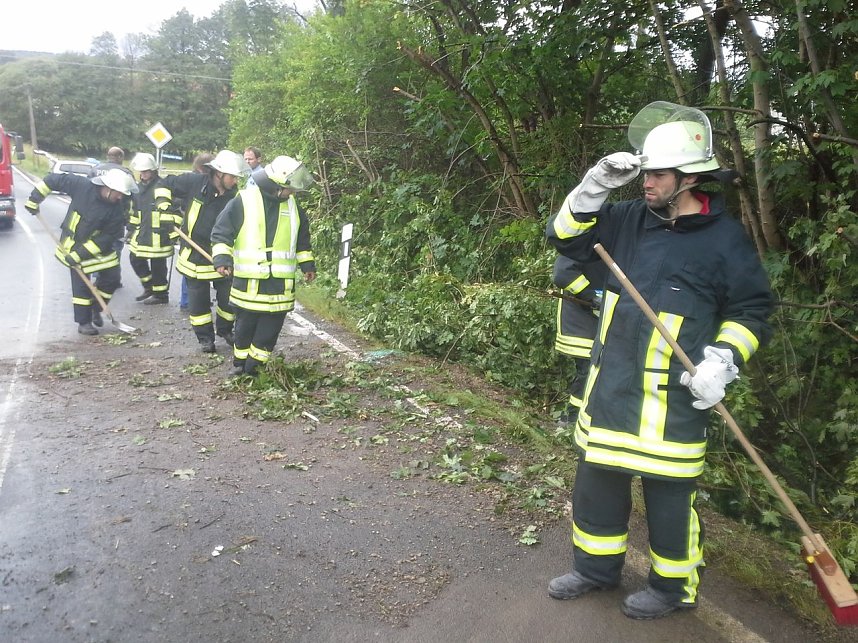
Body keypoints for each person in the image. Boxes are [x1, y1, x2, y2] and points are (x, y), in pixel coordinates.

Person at [544, 102, 773, 619]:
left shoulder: (725, 240)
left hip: (674, 398)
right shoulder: (625, 220)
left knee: (670, 499)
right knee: (597, 482)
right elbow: (562, 238)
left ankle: (673, 590)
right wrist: (593, 188)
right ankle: (595, 570)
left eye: (659, 174)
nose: (647, 183)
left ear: (691, 179)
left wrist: (723, 360)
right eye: (645, 173)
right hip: (611, 386)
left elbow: (751, 310)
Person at [211, 155, 316, 376]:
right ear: (276, 187)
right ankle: (240, 365)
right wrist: (222, 259)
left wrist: (307, 265)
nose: (293, 193)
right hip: (249, 284)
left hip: (279, 287)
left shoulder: (294, 208)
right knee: (244, 328)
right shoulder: (244, 200)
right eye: (289, 189)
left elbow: (302, 240)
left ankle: (255, 368)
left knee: (269, 332)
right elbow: (222, 233)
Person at [154, 150, 248, 352]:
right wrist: (164, 208)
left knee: (227, 299)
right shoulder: (193, 183)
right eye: (232, 177)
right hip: (194, 254)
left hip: (222, 254)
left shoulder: (236, 197)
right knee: (198, 302)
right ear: (218, 173)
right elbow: (163, 185)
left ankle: (224, 330)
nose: (234, 181)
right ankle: (205, 338)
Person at [24, 168, 138, 335]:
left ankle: (96, 308)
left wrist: (81, 254)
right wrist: (35, 199)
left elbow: (107, 238)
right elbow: (52, 179)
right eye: (119, 193)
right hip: (73, 245)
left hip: (98, 248)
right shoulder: (81, 186)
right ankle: (84, 323)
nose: (120, 197)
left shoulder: (116, 209)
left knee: (112, 278)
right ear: (108, 188)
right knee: (82, 286)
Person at [551, 254, 606, 426]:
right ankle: (572, 419)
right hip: (581, 323)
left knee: (593, 373)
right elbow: (562, 274)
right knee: (588, 372)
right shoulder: (582, 244)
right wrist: (590, 296)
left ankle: (575, 419)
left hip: (600, 322)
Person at [128, 153, 178, 304]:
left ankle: (161, 295)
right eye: (141, 172)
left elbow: (173, 209)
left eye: (146, 171)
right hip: (142, 233)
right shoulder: (138, 188)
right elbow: (136, 211)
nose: (143, 175)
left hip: (159, 234)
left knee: (158, 266)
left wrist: (172, 232)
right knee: (135, 259)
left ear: (154, 171)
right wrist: (131, 229)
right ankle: (149, 286)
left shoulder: (162, 186)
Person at [89, 146, 135, 287]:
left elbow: (89, 189)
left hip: (96, 215)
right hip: (117, 216)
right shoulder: (126, 172)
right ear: (120, 157)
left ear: (108, 156)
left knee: (96, 245)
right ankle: (112, 277)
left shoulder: (95, 169)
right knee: (115, 247)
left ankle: (97, 276)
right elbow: (132, 195)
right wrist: (130, 221)